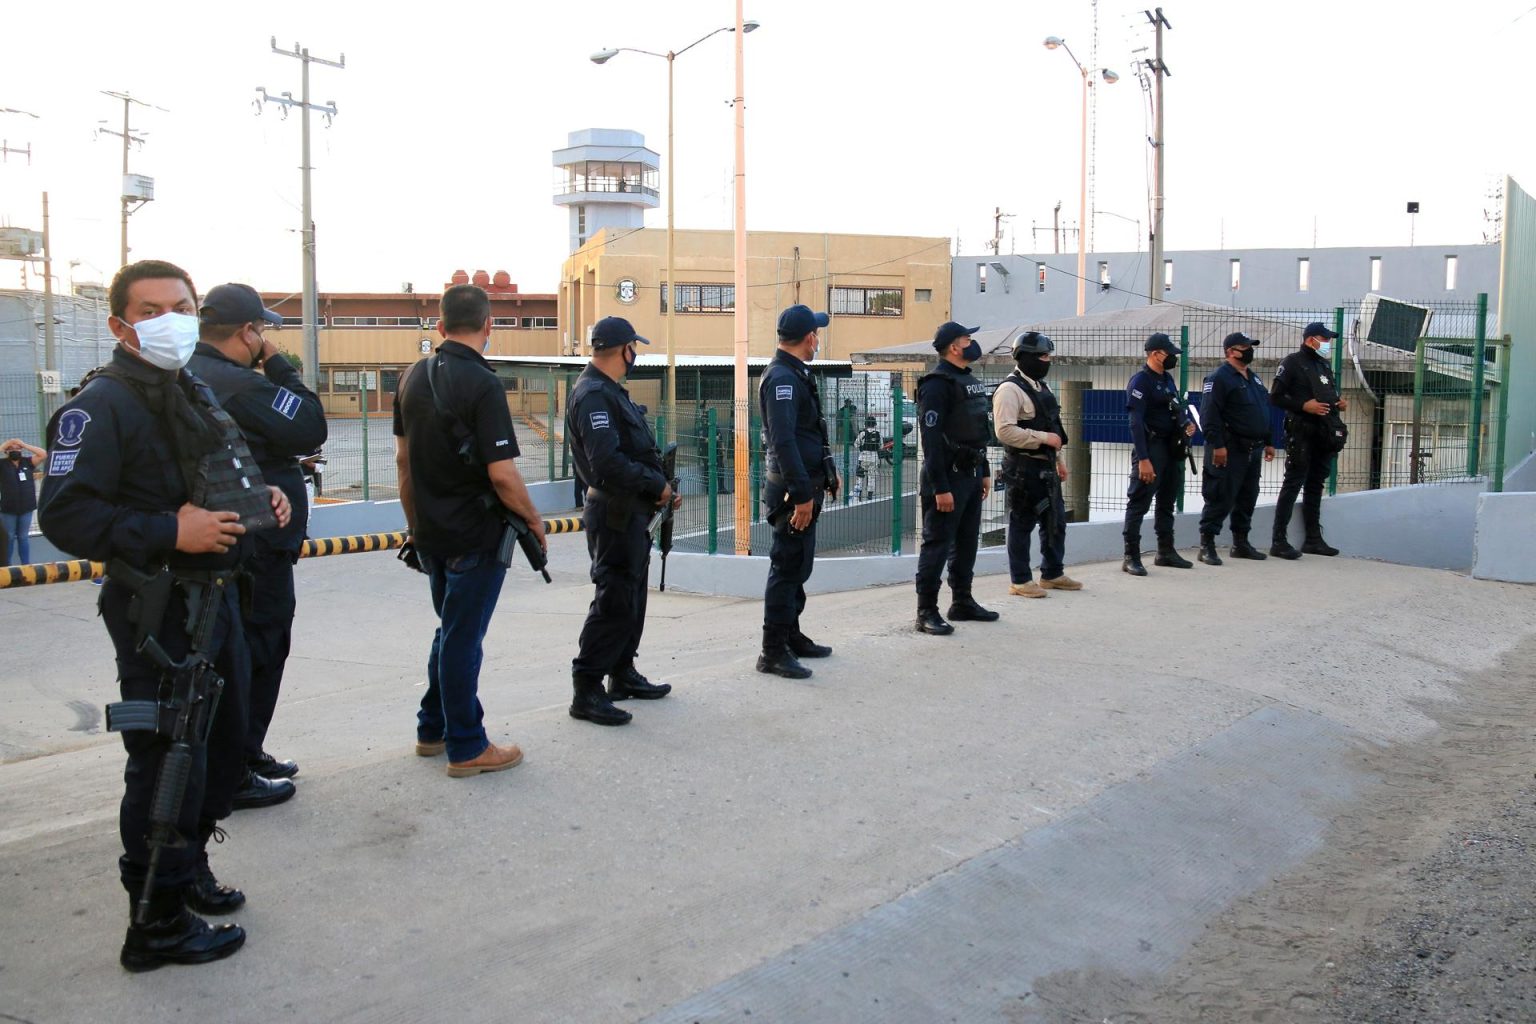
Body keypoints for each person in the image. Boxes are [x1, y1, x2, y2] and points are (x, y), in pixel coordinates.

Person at [38, 259, 292, 971]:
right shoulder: (104, 404)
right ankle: (154, 924)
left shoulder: (187, 389)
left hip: (216, 602)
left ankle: (189, 875)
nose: (169, 319)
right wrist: (168, 533)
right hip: (159, 614)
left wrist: (259, 504)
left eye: (181, 305)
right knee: (166, 761)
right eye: (151, 309)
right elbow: (66, 514)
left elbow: (212, 473)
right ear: (121, 323)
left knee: (220, 745)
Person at [393, 283, 544, 777]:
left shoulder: (412, 376)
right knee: (463, 639)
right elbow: (502, 474)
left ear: (438, 326)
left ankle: (431, 727)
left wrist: (415, 526)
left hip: (431, 534)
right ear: (488, 326)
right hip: (475, 537)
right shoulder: (482, 384)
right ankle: (467, 746)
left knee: (451, 632)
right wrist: (534, 520)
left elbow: (402, 463)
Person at [189, 284, 327, 799]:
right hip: (258, 545)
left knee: (237, 650)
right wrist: (279, 364)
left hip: (233, 541)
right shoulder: (239, 384)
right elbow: (310, 425)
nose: (263, 339)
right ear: (248, 331)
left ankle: (242, 751)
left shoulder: (194, 375)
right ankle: (236, 765)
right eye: (262, 331)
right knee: (260, 647)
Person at [565, 316, 680, 725]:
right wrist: (657, 484)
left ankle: (622, 673)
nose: (636, 355)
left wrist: (659, 487)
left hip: (632, 510)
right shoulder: (594, 394)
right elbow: (607, 462)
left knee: (631, 597)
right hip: (614, 511)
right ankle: (587, 688)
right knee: (613, 599)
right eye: (635, 347)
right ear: (623, 350)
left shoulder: (611, 392)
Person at [757, 304, 839, 679]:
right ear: (809, 337)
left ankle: (791, 635)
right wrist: (803, 494)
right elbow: (784, 441)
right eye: (816, 334)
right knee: (787, 568)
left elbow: (810, 433)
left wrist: (829, 472)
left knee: (798, 567)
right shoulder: (782, 379)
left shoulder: (794, 373)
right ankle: (772, 651)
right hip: (793, 491)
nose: (817, 340)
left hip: (806, 483)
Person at [914, 322, 998, 634]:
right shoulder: (936, 384)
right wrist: (940, 488)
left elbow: (978, 430)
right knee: (937, 545)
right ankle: (926, 611)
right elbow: (931, 439)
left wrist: (984, 470)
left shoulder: (968, 380)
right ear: (953, 346)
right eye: (967, 339)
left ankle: (962, 601)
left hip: (971, 474)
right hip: (947, 478)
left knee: (966, 543)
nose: (972, 343)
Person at [993, 332, 1081, 598]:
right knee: (1021, 524)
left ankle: (1052, 573)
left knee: (1054, 520)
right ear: (1026, 357)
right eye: (1043, 356)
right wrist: (1044, 439)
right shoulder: (1009, 390)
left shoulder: (1043, 387)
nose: (1047, 361)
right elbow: (1004, 431)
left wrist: (1060, 461)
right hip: (1022, 468)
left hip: (1047, 466)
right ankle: (1020, 580)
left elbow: (1052, 425)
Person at [1269, 321, 1349, 559]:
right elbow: (1275, 397)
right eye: (1324, 339)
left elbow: (1326, 395)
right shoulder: (1292, 362)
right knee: (1293, 482)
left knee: (1316, 485)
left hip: (1324, 433)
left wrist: (1338, 403)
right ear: (1310, 339)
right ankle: (1279, 540)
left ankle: (1313, 539)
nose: (1327, 344)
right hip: (1301, 430)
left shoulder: (1323, 365)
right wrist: (1304, 406)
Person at [1196, 332, 1276, 565]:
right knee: (1220, 495)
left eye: (1250, 346)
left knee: (1247, 496)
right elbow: (1209, 415)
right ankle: (1207, 545)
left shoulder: (1253, 378)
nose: (1249, 351)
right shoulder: (1219, 378)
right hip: (1229, 448)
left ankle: (1241, 543)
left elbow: (1263, 410)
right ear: (1231, 351)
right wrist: (1218, 446)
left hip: (1254, 448)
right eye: (1245, 347)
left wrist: (1269, 440)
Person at [1122, 333, 1196, 576]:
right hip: (1151, 450)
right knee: (1139, 503)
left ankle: (1166, 551)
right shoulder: (1141, 381)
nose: (1173, 358)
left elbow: (1175, 409)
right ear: (1155, 354)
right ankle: (1131, 556)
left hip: (1171, 449)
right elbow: (1135, 422)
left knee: (1167, 502)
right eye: (1170, 354)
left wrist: (1186, 424)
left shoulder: (1167, 380)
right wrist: (1143, 459)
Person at [0, 438, 45, 565]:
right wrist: (5, 445)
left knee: (23, 537)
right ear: (6, 452)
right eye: (11, 449)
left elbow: (43, 454)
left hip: (26, 507)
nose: (15, 451)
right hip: (8, 509)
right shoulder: (2, 464)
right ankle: (6, 566)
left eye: (17, 449)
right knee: (8, 537)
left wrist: (24, 445)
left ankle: (26, 565)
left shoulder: (27, 462)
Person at [852, 416, 882, 500]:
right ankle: (870, 496)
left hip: (863, 457)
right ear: (875, 424)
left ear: (866, 424)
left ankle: (859, 495)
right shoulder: (878, 433)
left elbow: (856, 444)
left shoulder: (863, 433)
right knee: (872, 476)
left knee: (860, 476)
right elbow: (881, 446)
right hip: (874, 457)